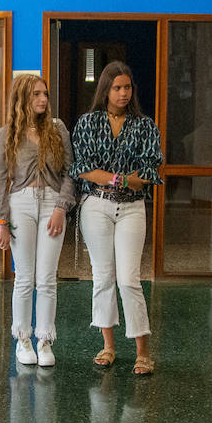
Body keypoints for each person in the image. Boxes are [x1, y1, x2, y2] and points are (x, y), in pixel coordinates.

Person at [71, 61, 161, 375]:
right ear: (106, 90)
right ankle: (108, 346)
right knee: (103, 277)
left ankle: (142, 350)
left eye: (127, 87)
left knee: (129, 279)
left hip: (133, 207)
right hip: (96, 205)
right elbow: (83, 167)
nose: (123, 93)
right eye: (116, 88)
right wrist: (122, 179)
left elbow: (148, 173)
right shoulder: (87, 122)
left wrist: (110, 177)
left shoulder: (145, 125)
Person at [0, 73, 75, 368]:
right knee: (24, 277)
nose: (42, 99)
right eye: (36, 94)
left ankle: (45, 340)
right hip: (20, 204)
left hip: (52, 203)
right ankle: (23, 339)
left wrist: (61, 207)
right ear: (22, 99)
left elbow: (69, 172)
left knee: (47, 277)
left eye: (45, 94)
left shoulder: (57, 128)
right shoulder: (7, 133)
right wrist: (1, 221)